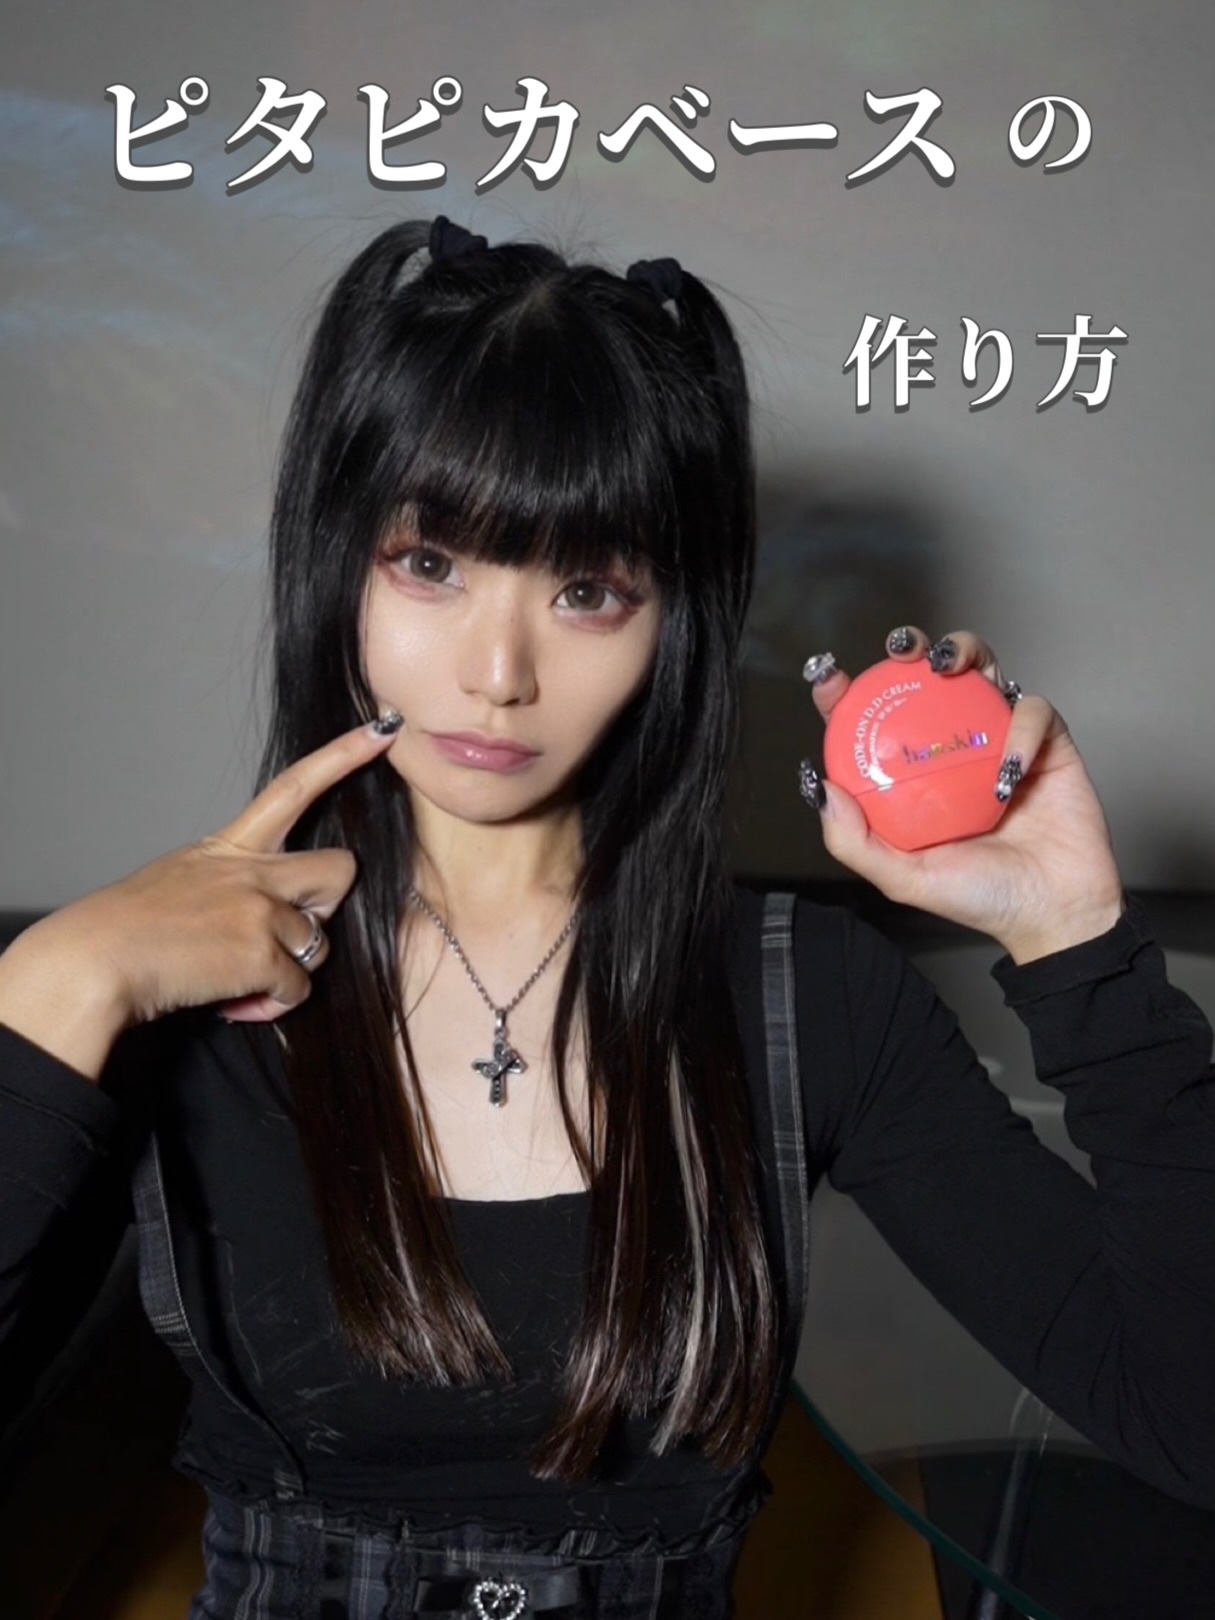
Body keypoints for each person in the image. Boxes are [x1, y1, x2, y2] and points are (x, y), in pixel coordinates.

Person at [1, 214, 1213, 1620]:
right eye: (431, 564)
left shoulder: (809, 999)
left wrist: (1074, 941)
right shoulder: (160, 986)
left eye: (586, 590)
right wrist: (59, 983)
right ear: (337, 565)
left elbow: (1188, 1421)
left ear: (671, 622)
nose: (498, 671)